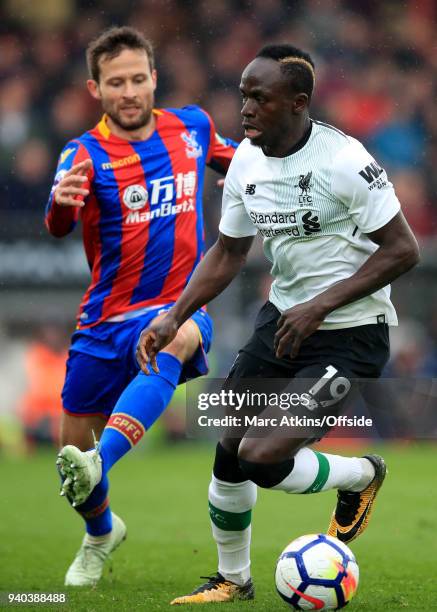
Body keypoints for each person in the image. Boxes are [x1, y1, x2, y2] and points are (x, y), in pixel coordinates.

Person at [134, 44, 420, 604]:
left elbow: (403, 250)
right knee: (227, 445)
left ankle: (360, 474)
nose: (244, 109)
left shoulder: (345, 161)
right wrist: (173, 317)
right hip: (283, 321)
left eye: (258, 98)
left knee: (262, 457)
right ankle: (231, 580)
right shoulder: (246, 159)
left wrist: (321, 305)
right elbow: (228, 251)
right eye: (243, 95)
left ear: (297, 103)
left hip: (352, 333)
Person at [45, 26, 237, 587]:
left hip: (177, 304)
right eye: (115, 83)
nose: (128, 92)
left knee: (174, 339)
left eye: (136, 79)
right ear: (96, 89)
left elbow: (241, 164)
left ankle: (103, 458)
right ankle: (101, 530)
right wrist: (60, 203)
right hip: (104, 320)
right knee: (69, 455)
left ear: (153, 78)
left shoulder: (192, 127)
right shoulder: (82, 153)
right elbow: (58, 224)